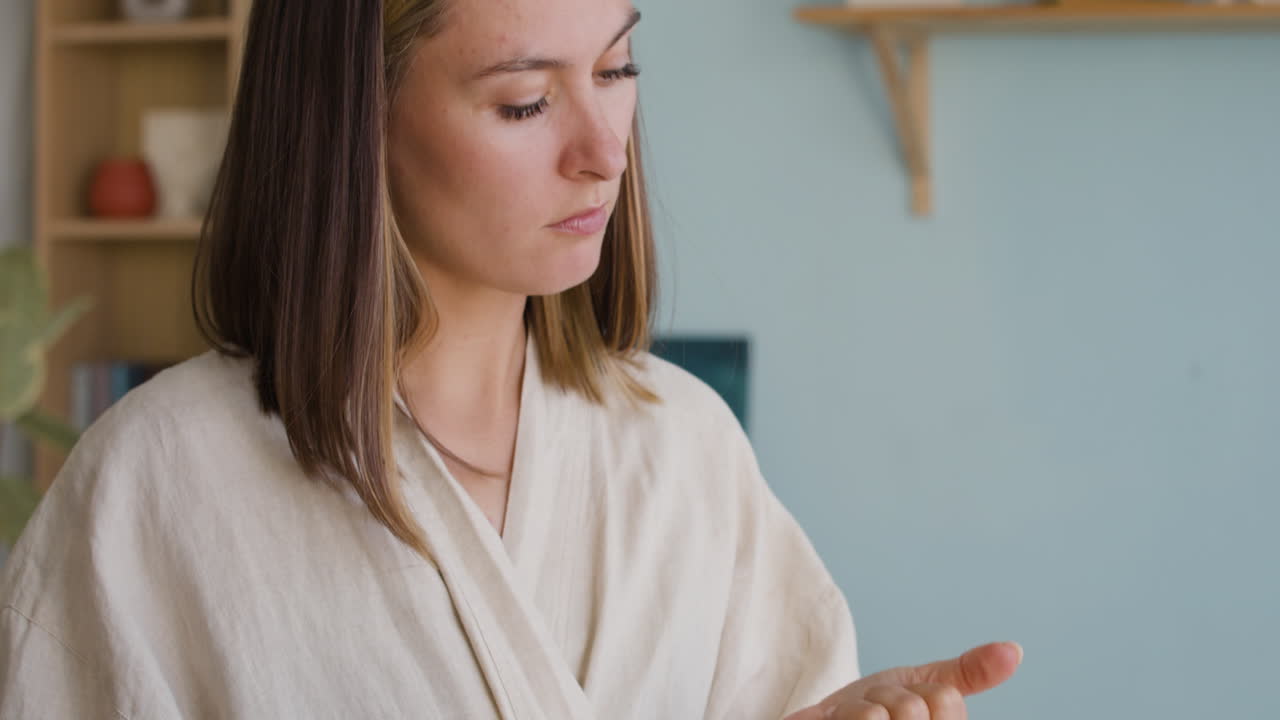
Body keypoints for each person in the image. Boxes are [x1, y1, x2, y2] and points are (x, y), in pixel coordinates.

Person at [0, 1, 1022, 717]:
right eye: (525, 102)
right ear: (356, 121)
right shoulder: (157, 481)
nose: (604, 149)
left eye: (616, 70)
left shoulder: (683, 448)